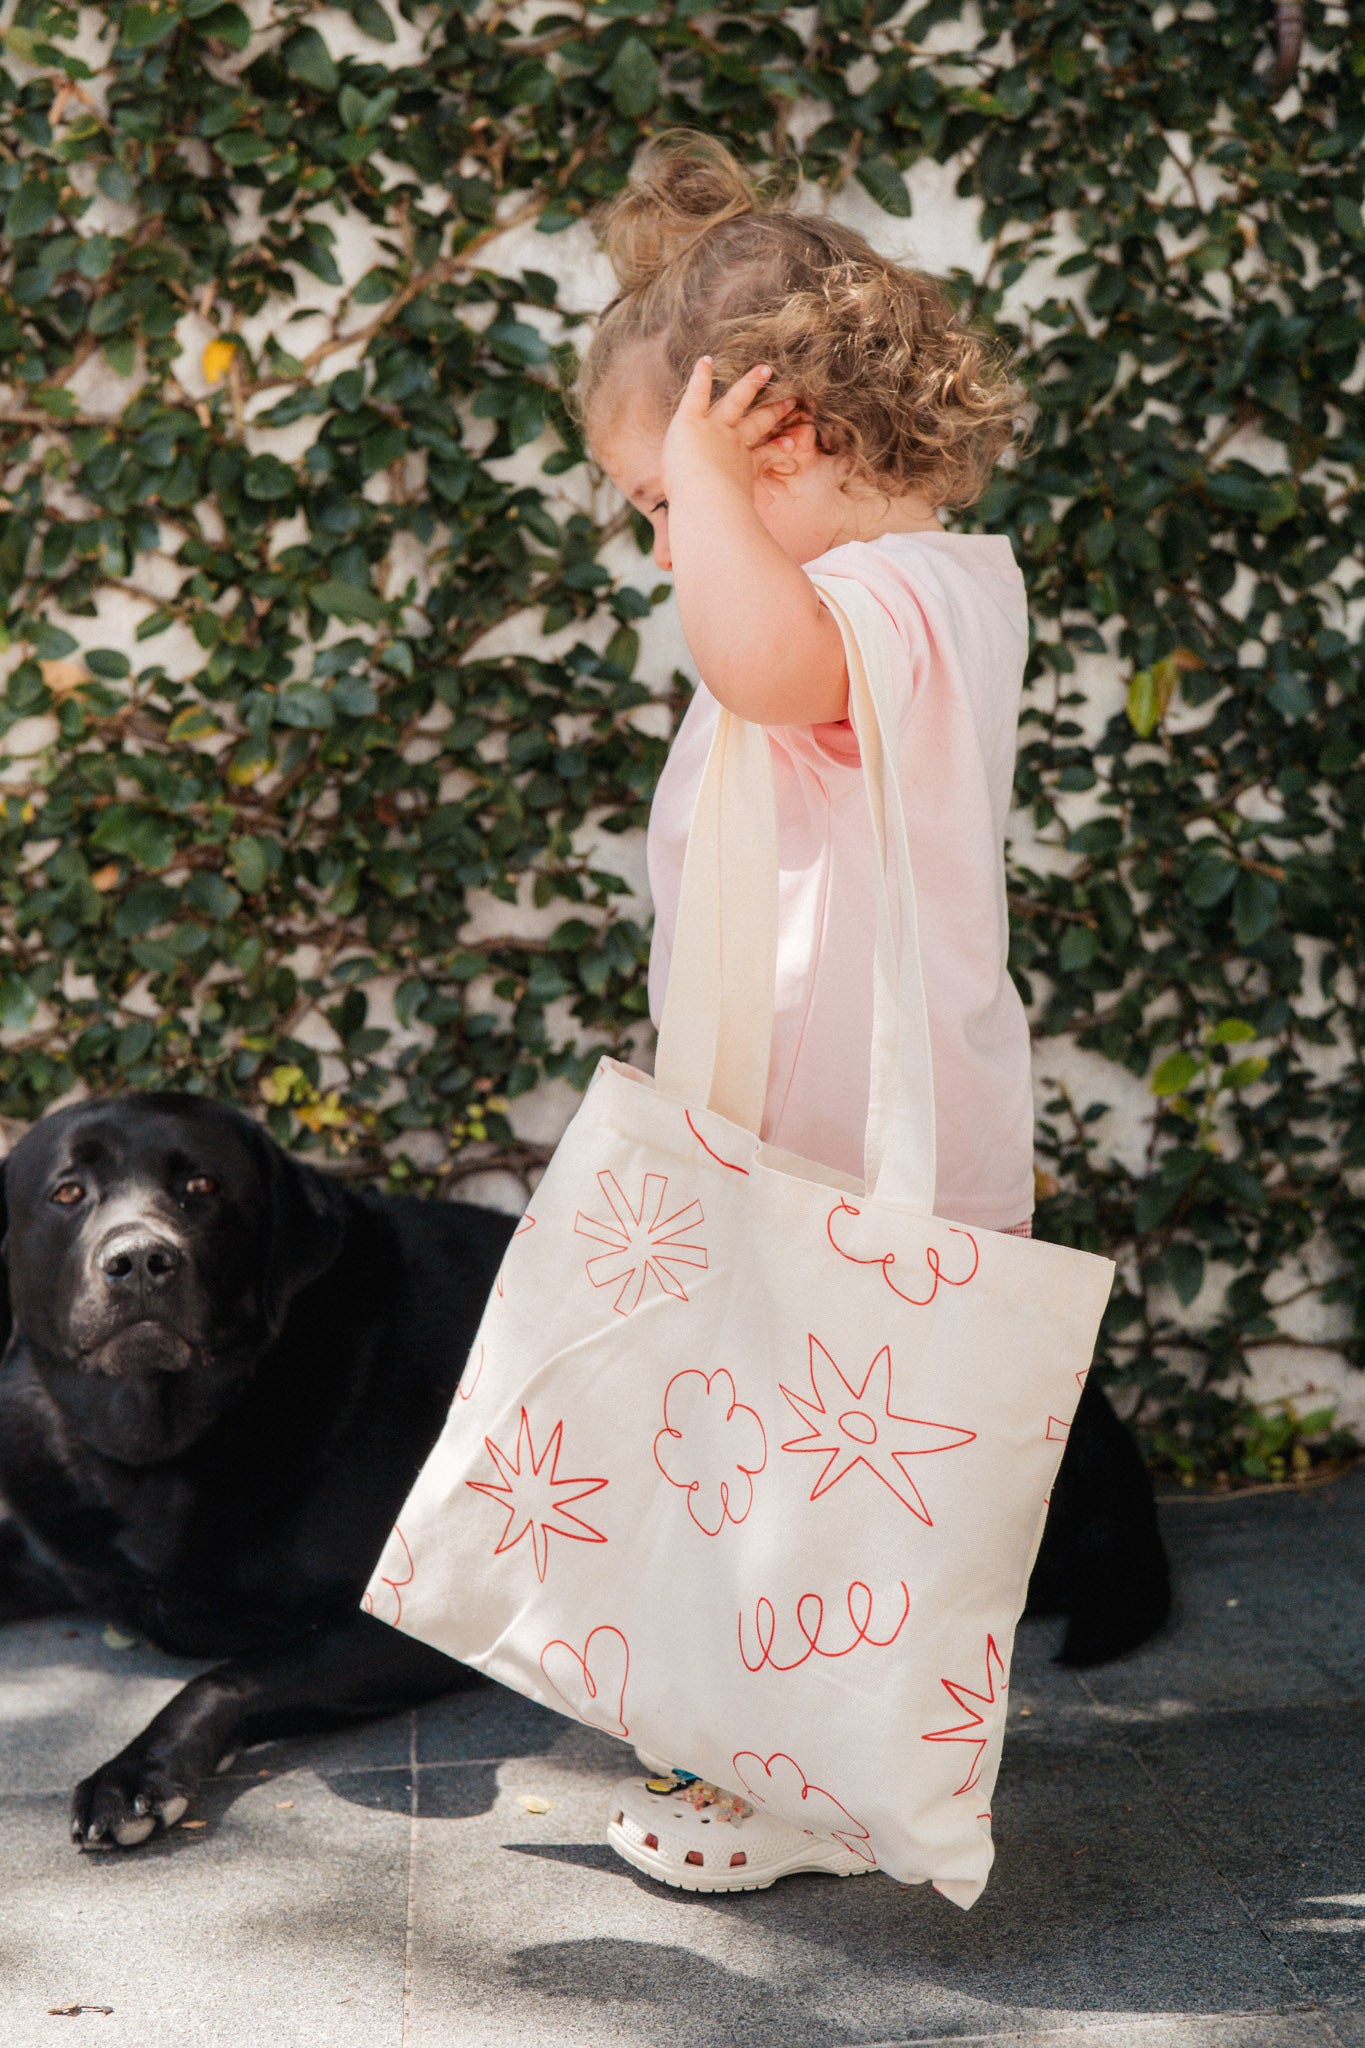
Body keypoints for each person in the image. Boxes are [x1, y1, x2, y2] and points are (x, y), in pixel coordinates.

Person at [574, 130, 1035, 1893]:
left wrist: (697, 484)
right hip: (802, 1132)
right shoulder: (862, 590)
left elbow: (756, 663)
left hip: (878, 1154)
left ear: (787, 437)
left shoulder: (901, 594)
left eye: (665, 504)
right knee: (786, 1477)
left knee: (859, 1492)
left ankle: (827, 1790)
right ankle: (775, 1749)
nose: (661, 546)